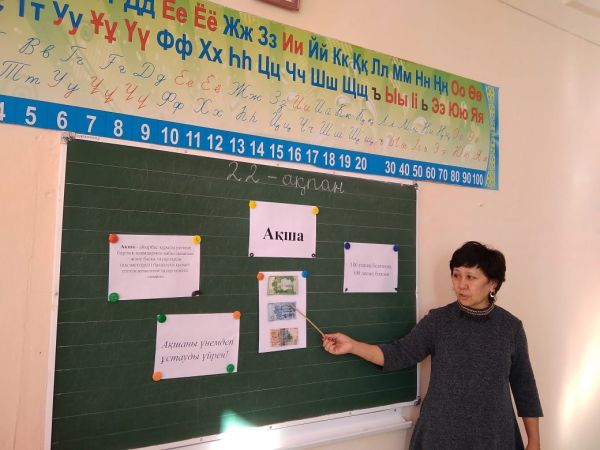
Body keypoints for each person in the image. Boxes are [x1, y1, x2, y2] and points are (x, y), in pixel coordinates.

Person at [323, 241, 543, 450]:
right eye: (456, 275)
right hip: (441, 435)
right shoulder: (438, 321)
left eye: (470, 277)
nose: (461, 285)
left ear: (493, 283)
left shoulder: (510, 327)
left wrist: (534, 441)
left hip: (495, 436)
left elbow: (524, 386)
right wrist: (352, 346)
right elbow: (399, 353)